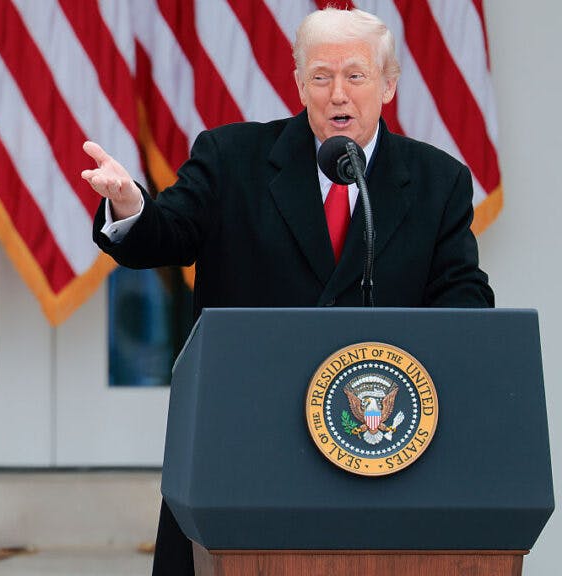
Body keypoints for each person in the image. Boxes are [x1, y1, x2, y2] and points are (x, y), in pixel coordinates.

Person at [81, 7, 494, 575]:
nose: (337, 94)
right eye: (320, 77)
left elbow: (463, 298)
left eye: (355, 75)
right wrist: (129, 204)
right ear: (299, 84)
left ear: (389, 84)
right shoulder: (233, 159)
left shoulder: (438, 180)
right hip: (245, 444)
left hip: (379, 449)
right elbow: (166, 234)